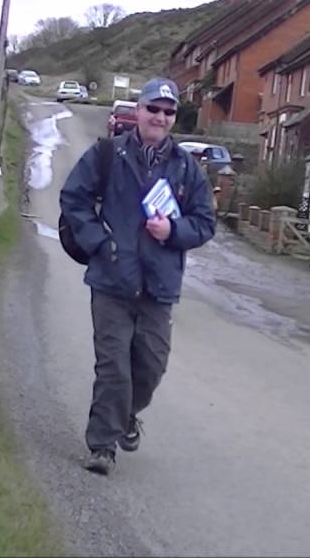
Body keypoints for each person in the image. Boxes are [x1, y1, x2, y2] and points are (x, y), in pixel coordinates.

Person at [59, 77, 217, 476]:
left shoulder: (186, 169)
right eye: (153, 109)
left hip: (159, 286)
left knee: (149, 366)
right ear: (138, 111)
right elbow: (74, 198)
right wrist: (99, 242)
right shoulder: (108, 154)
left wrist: (173, 233)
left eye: (168, 112)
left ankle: (127, 414)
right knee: (113, 365)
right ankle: (102, 445)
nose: (160, 118)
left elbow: (204, 222)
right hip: (112, 280)